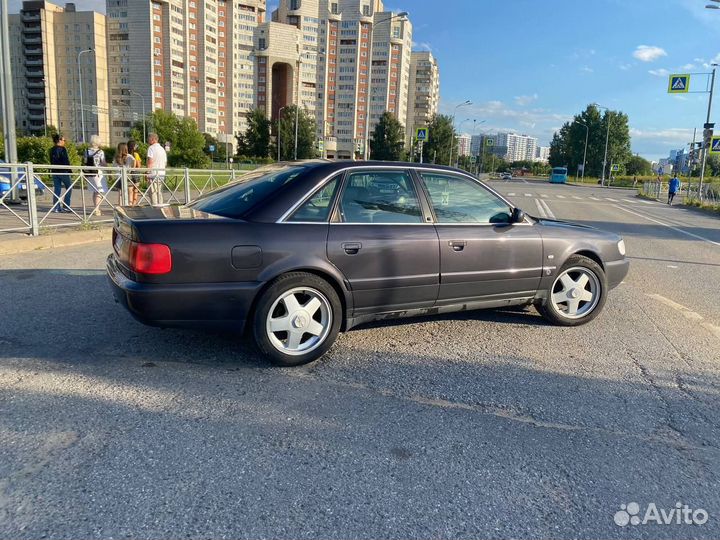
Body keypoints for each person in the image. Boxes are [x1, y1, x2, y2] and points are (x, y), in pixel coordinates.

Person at [84, 134, 107, 216]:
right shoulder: (100, 152)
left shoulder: (86, 151)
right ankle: (96, 209)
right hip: (98, 173)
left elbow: (85, 162)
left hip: (89, 173)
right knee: (100, 191)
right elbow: (103, 163)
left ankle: (96, 208)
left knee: (95, 191)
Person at [49, 133, 72, 212]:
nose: (64, 141)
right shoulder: (62, 149)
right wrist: (69, 170)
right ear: (59, 140)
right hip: (63, 171)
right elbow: (65, 160)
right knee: (69, 187)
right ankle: (66, 206)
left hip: (54, 171)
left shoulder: (51, 149)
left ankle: (56, 207)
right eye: (63, 140)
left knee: (57, 188)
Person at [146, 132, 167, 206]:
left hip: (153, 174)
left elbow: (150, 162)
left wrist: (147, 173)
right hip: (162, 174)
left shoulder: (151, 148)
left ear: (152, 139)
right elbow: (165, 163)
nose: (147, 141)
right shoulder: (162, 149)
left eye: (148, 139)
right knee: (159, 192)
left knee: (153, 193)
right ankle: (160, 206)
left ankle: (154, 207)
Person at [127, 139, 141, 206]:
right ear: (133, 146)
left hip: (128, 174)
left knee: (130, 190)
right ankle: (134, 203)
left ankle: (129, 203)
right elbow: (138, 165)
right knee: (136, 189)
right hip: (136, 173)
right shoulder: (136, 154)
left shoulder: (126, 154)